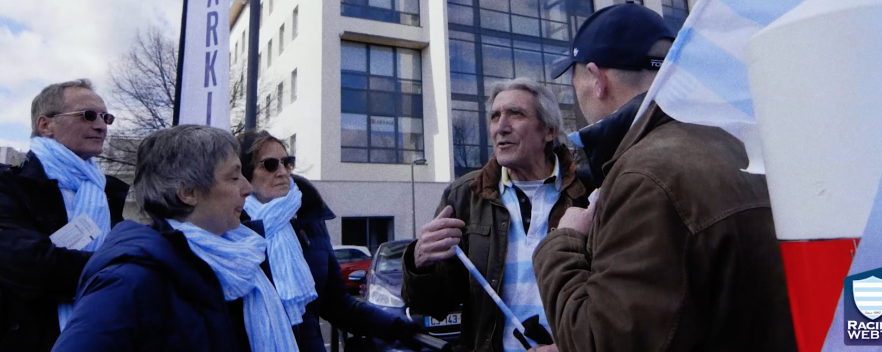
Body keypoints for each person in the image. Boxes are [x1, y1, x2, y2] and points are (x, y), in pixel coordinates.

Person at [533, 2, 797, 352]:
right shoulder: (737, 146)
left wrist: (563, 241)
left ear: (597, 80)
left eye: (575, 78)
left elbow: (604, 343)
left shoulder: (644, 177)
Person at [52, 125, 300, 352]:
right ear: (188, 192)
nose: (247, 188)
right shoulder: (129, 280)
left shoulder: (239, 259)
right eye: (234, 177)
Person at [402, 78, 590, 352]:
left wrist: (574, 347)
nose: (500, 127)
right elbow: (434, 306)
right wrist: (420, 264)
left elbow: (619, 298)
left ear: (548, 131)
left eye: (516, 114)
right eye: (495, 116)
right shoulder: (465, 196)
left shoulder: (590, 191)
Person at [236, 130, 420, 352]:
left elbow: (337, 303)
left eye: (287, 162)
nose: (283, 172)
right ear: (246, 174)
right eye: (270, 165)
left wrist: (398, 328)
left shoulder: (309, 220)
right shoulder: (231, 226)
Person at [0, 79, 129, 352]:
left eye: (106, 117)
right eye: (88, 115)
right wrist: (122, 270)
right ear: (45, 125)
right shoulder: (10, 187)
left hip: (107, 335)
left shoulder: (110, 193)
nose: (101, 125)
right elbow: (28, 265)